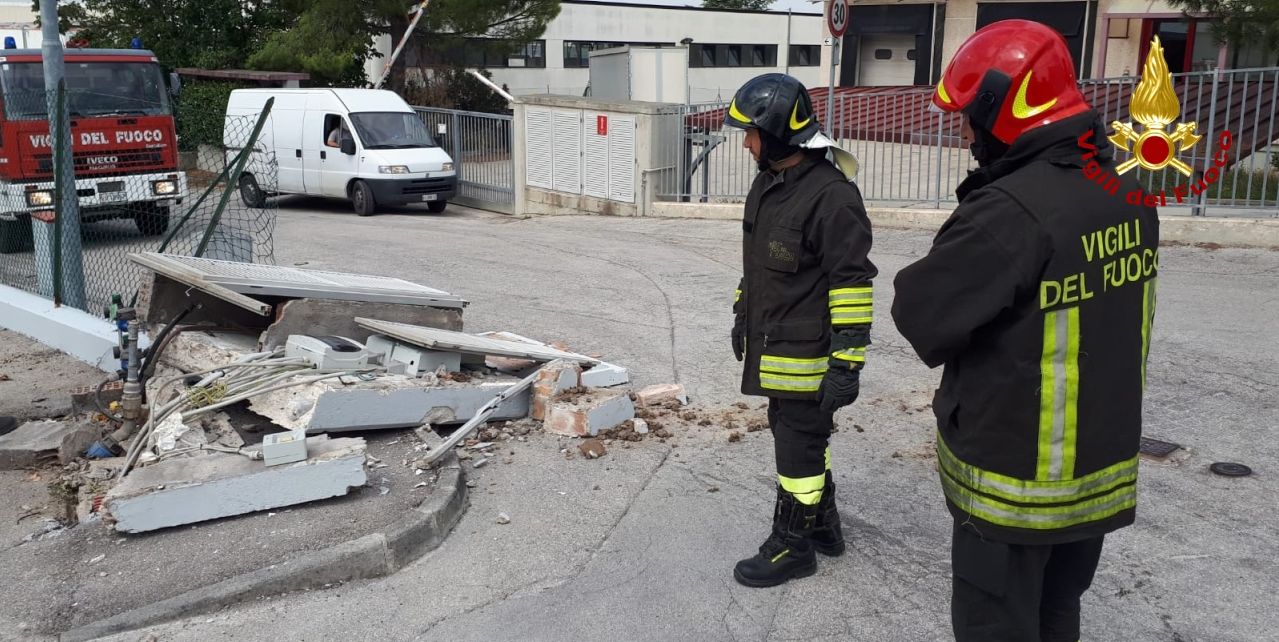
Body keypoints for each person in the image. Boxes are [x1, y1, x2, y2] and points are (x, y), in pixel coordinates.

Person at [890, 20, 1159, 642]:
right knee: (1058, 615)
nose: (962, 133)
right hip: (1093, 478)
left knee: (998, 627)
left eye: (967, 116)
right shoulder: (1127, 195)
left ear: (1005, 110)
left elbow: (921, 314)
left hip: (1016, 491)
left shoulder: (1011, 213)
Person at [723, 73, 877, 588]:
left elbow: (852, 284)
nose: (745, 143)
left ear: (778, 133)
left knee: (797, 444)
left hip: (807, 354)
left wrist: (847, 363)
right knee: (802, 439)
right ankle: (825, 528)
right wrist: (744, 312)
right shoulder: (770, 184)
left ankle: (792, 546)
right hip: (774, 344)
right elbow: (757, 266)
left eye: (750, 133)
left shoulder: (832, 198)